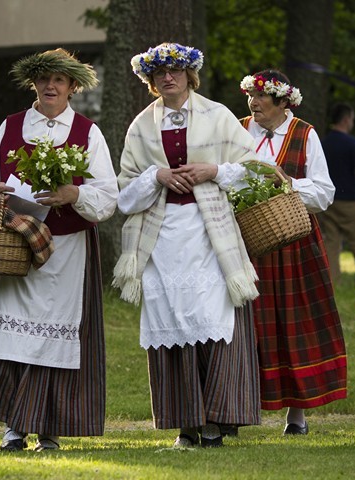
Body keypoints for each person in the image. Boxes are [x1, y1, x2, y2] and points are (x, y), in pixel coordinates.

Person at [0, 48, 118, 451]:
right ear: (34, 84)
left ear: (72, 87)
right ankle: (14, 428)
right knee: (12, 335)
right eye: (44, 79)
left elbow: (106, 197)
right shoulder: (11, 126)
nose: (51, 86)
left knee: (56, 337)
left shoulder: (88, 132)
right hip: (14, 249)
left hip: (66, 251)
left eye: (59, 80)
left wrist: (73, 193)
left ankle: (49, 430)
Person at [113, 42, 261, 448]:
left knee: (213, 321)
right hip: (161, 238)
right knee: (174, 323)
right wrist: (156, 177)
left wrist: (214, 170)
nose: (168, 77)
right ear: (150, 80)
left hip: (211, 233)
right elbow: (123, 194)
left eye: (175, 69)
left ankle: (215, 421)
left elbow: (258, 173)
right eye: (159, 72)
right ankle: (185, 425)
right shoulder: (141, 126)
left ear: (190, 74)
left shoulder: (218, 115)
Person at [239, 69, 347, 434]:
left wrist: (289, 183)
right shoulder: (237, 130)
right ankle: (235, 408)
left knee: (295, 321)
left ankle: (296, 415)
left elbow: (324, 192)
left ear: (283, 101)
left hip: (293, 241)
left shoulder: (304, 133)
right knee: (244, 324)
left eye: (261, 96)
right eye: (250, 96)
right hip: (245, 241)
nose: (253, 103)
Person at [317, 102, 355, 284]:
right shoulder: (352, 144)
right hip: (350, 200)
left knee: (331, 243)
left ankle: (331, 282)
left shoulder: (323, 143)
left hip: (328, 202)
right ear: (347, 119)